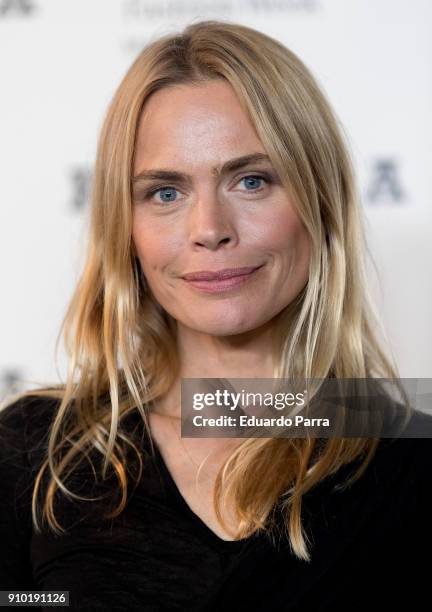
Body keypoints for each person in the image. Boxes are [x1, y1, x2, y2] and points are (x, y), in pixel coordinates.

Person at [0, 19, 430, 611]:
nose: (209, 230)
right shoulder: (36, 453)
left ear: (319, 201)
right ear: (126, 228)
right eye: (166, 193)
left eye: (251, 180)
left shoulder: (407, 457)